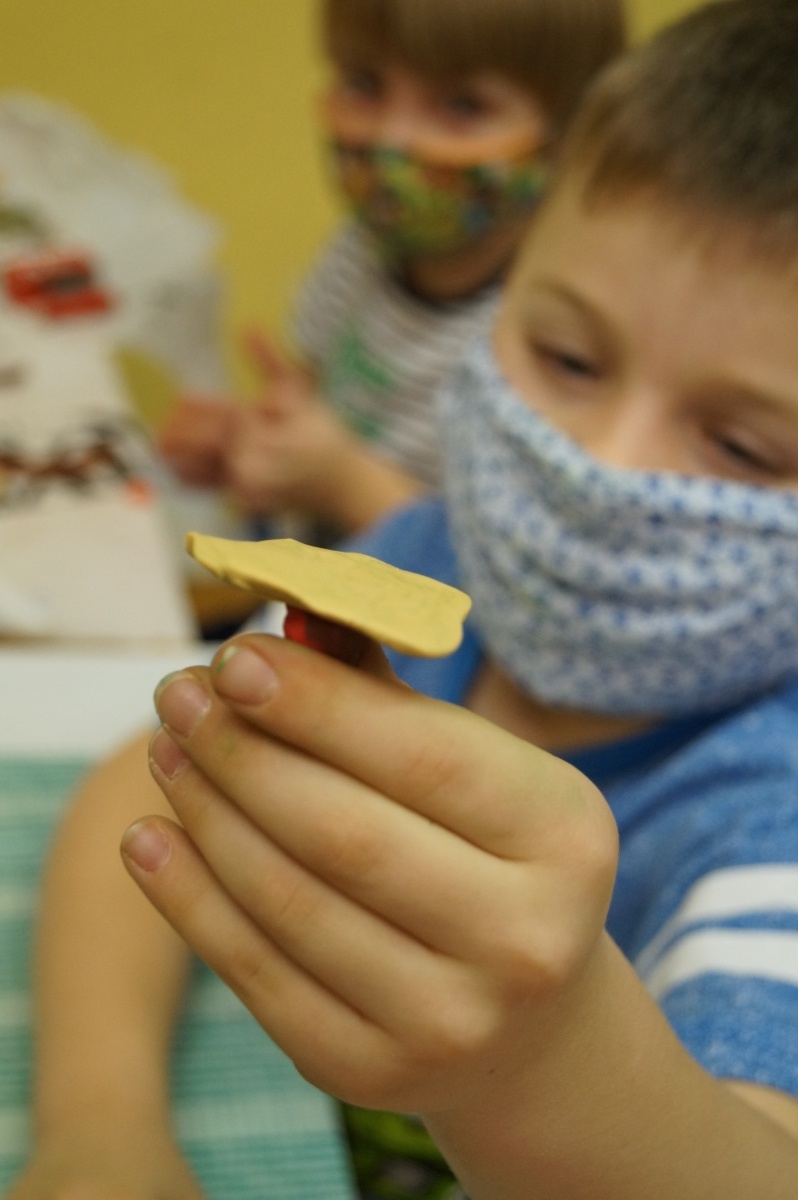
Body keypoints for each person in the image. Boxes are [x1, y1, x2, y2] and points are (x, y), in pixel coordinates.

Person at [10, 2, 798, 1199]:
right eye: (568, 358)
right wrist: (101, 1125)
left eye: (743, 444)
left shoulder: (765, 817)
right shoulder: (419, 561)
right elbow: (150, 782)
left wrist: (548, 1051)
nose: (600, 469)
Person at [158, 0, 625, 545]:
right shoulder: (359, 252)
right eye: (365, 84)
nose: (392, 139)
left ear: (570, 134)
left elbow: (499, 572)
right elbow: (316, 402)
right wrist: (254, 444)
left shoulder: (555, 341)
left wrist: (346, 483)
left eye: (462, 104)